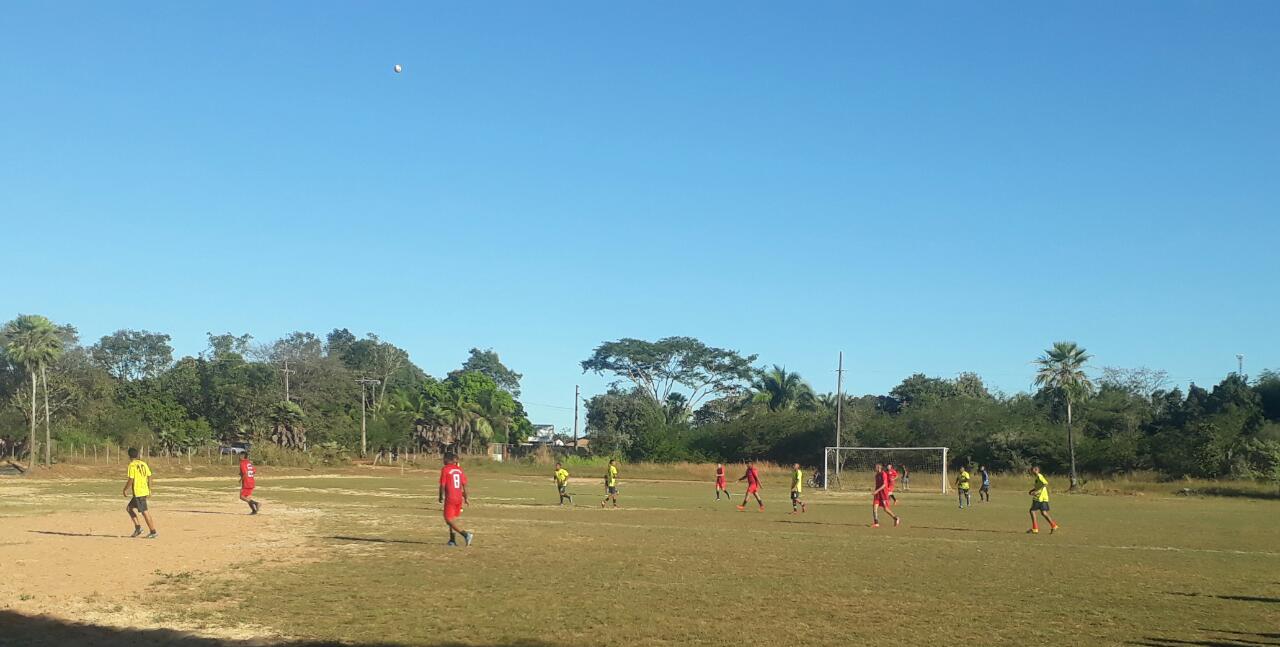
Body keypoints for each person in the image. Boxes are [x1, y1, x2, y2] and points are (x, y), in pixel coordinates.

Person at [439, 452, 473, 547]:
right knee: (452, 519)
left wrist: (440, 496)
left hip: (451, 497)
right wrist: (466, 498)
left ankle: (466, 534)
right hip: (459, 497)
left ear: (447, 459)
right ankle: (452, 540)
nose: (443, 461)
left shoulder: (445, 469)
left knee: (448, 519)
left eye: (443, 459)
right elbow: (464, 485)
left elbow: (442, 485)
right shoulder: (459, 470)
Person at [123, 448, 157, 539]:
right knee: (129, 508)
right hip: (142, 491)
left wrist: (125, 489)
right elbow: (149, 476)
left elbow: (131, 479)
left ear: (129, 456)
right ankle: (138, 528)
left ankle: (153, 531)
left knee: (144, 512)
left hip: (139, 492)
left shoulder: (132, 465)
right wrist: (149, 489)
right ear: (137, 455)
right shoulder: (143, 464)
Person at [1027, 466, 1059, 534]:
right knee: (1043, 513)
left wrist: (1037, 492)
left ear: (1036, 470)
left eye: (1032, 470)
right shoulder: (1037, 477)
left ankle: (1035, 528)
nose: (1031, 471)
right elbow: (1039, 486)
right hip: (1044, 497)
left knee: (1032, 511)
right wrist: (1032, 490)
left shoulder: (1039, 476)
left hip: (1039, 497)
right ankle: (1054, 525)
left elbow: (1045, 484)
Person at [871, 463, 900, 528]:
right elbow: (877, 485)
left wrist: (876, 491)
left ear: (879, 468)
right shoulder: (876, 475)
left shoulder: (883, 474)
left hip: (883, 493)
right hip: (877, 494)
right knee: (874, 507)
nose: (874, 468)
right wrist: (875, 491)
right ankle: (876, 523)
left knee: (886, 509)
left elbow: (884, 485)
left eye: (875, 467)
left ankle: (895, 518)